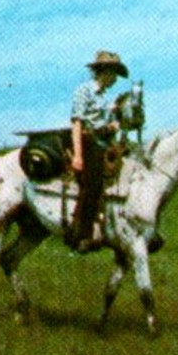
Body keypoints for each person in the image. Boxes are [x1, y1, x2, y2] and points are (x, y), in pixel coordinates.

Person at [67, 50, 128, 250]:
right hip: (87, 141)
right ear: (104, 72)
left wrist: (113, 127)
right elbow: (77, 123)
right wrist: (77, 155)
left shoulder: (105, 99)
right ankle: (82, 235)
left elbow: (107, 125)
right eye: (114, 74)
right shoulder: (84, 91)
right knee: (92, 182)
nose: (116, 80)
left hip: (102, 141)